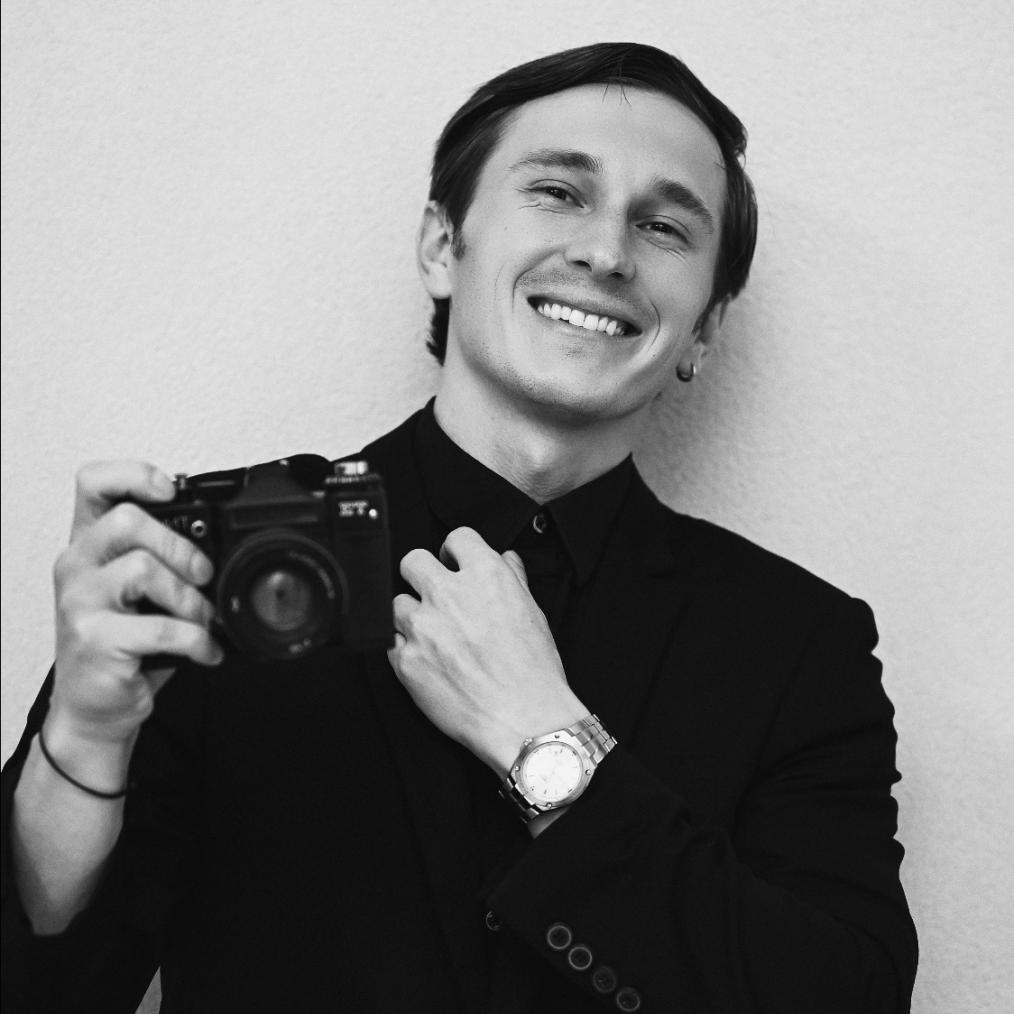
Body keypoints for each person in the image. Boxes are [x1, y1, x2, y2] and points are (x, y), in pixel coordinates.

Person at [1, 42, 918, 1013]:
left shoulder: (801, 644)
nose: (607, 253)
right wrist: (84, 741)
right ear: (443, 247)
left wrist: (546, 742)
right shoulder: (216, 563)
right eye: (559, 193)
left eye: (662, 225)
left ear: (705, 328)